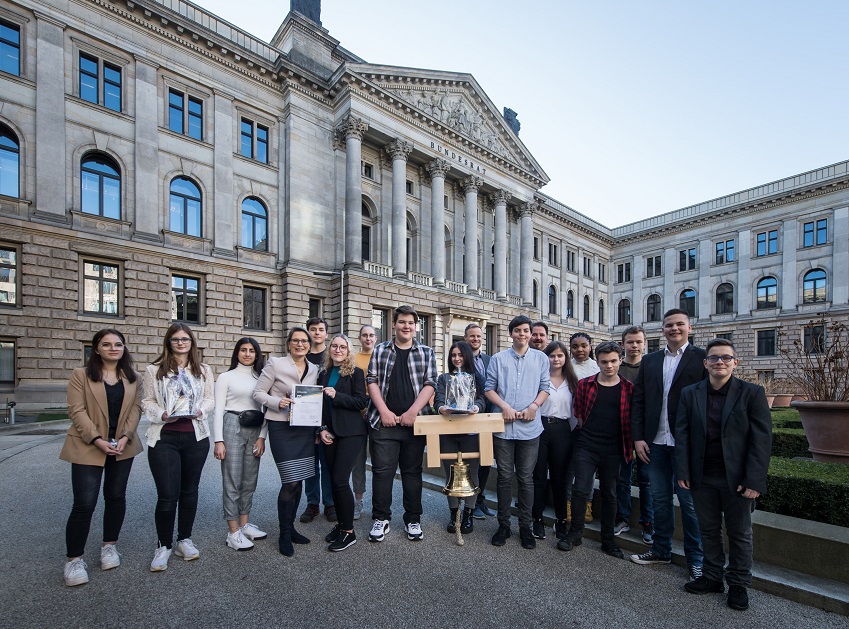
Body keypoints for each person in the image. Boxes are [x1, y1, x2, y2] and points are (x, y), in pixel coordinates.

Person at [676, 339, 772, 611]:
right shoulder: (690, 393)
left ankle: (739, 584)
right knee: (707, 529)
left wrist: (754, 480)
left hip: (738, 478)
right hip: (701, 475)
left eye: (725, 358)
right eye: (714, 358)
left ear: (735, 362)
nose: (720, 362)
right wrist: (683, 470)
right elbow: (681, 434)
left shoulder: (752, 393)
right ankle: (712, 577)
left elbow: (761, 441)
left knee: (739, 532)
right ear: (705, 363)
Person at [60, 329, 143, 586]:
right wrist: (97, 440)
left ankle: (109, 546)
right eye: (106, 344)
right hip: (88, 445)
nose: (113, 348)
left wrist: (126, 437)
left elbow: (136, 409)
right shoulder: (81, 375)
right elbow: (77, 411)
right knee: (84, 503)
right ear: (96, 349)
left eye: (118, 344)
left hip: (122, 445)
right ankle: (74, 560)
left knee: (116, 497)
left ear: (124, 348)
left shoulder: (133, 377)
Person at [630, 308, 706, 579]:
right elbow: (638, 401)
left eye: (679, 325)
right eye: (669, 325)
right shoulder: (650, 361)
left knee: (689, 504)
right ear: (662, 330)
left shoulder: (702, 358)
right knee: (660, 500)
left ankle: (697, 559)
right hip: (655, 443)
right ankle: (661, 550)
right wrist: (638, 437)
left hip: (687, 446)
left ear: (690, 328)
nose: (674, 329)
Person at [142, 323, 214, 572]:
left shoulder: (203, 370)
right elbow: (147, 401)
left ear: (192, 342)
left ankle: (184, 538)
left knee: (189, 490)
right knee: (167, 494)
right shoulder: (154, 370)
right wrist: (160, 414)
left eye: (185, 339)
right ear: (168, 342)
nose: (181, 343)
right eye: (175, 339)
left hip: (196, 437)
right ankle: (163, 544)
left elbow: (210, 398)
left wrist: (201, 410)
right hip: (165, 438)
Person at [365, 305, 437, 543]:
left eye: (411, 323)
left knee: (412, 473)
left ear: (416, 327)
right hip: (385, 423)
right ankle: (381, 518)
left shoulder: (426, 352)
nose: (406, 326)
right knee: (382, 473)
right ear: (393, 324)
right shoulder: (381, 350)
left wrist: (413, 412)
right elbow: (372, 380)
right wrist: (384, 411)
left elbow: (430, 384)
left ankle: (413, 519)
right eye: (402, 322)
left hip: (414, 424)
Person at [557, 342, 634, 559]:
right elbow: (579, 413)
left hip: (614, 448)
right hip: (587, 445)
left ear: (620, 360)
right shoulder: (585, 385)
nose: (608, 366)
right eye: (604, 361)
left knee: (610, 493)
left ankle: (608, 540)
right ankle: (575, 533)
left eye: (613, 361)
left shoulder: (628, 388)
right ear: (597, 362)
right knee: (580, 490)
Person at [252, 326, 319, 557]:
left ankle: (291, 529)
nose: (300, 344)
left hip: (304, 429)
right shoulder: (275, 364)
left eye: (304, 341)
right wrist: (276, 402)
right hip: (281, 427)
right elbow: (258, 393)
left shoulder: (314, 368)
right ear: (289, 343)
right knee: (290, 481)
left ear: (310, 346)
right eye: (296, 341)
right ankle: (283, 533)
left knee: (299, 480)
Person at [485, 315, 550, 550]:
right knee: (503, 477)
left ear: (531, 334)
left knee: (525, 479)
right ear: (511, 333)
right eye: (518, 331)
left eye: (526, 331)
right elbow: (489, 388)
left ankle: (526, 526)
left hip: (530, 429)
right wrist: (505, 407)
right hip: (503, 428)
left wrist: (534, 407)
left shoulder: (541, 359)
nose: (522, 334)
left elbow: (545, 387)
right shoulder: (498, 359)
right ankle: (503, 526)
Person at [212, 338, 268, 552]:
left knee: (249, 479)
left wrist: (262, 436)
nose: (247, 354)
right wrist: (219, 440)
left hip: (255, 427)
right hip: (232, 425)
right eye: (243, 350)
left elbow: (265, 409)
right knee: (232, 478)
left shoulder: (261, 378)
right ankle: (233, 530)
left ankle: (244, 524)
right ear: (237, 353)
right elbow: (218, 410)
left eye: (251, 351)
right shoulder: (226, 377)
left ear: (257, 354)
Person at [319, 334, 368, 551]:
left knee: (340, 480)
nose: (338, 350)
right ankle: (341, 525)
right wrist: (321, 429)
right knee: (333, 481)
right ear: (330, 349)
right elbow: (319, 406)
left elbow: (360, 401)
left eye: (342, 347)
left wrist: (336, 395)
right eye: (334, 346)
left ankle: (349, 532)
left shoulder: (355, 373)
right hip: (329, 433)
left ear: (348, 351)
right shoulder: (324, 373)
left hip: (351, 433)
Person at [433, 341, 486, 535]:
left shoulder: (476, 378)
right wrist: (441, 408)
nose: (457, 358)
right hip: (448, 431)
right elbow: (438, 398)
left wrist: (476, 407)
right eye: (453, 355)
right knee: (451, 474)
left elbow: (483, 399)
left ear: (467, 357)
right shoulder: (444, 378)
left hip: (471, 432)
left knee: (473, 474)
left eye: (460, 355)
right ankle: (454, 514)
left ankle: (468, 515)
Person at [531, 340, 579, 541]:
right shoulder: (539, 379)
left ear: (565, 358)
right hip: (540, 428)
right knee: (539, 477)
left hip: (563, 430)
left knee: (560, 479)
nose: (556, 359)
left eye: (560, 355)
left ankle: (560, 521)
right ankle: (537, 519)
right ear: (546, 358)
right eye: (552, 355)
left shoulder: (573, 381)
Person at [615, 326, 654, 545]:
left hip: (646, 432)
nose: (635, 346)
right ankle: (622, 518)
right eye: (630, 342)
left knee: (647, 480)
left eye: (638, 342)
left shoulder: (651, 367)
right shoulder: (617, 367)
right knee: (622, 478)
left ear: (644, 343)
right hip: (621, 431)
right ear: (623, 344)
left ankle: (648, 522)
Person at [302, 317, 335, 524]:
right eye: (313, 329)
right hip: (306, 417)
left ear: (326, 333)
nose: (316, 333)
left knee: (328, 462)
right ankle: (312, 503)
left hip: (327, 417)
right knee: (310, 464)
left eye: (320, 329)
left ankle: (330, 503)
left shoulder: (330, 356)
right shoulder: (302, 355)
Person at [464, 322, 496, 519]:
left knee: (485, 461)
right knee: (471, 462)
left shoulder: (489, 360)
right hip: (468, 418)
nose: (475, 339)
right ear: (466, 338)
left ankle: (480, 500)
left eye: (478, 336)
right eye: (472, 336)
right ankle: (470, 503)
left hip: (487, 416)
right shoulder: (461, 358)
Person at [567, 331, 600, 523]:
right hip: (568, 424)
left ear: (590, 347)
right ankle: (568, 505)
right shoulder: (566, 366)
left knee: (588, 470)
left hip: (590, 425)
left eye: (583, 346)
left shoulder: (597, 367)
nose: (579, 350)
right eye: (575, 346)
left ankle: (587, 505)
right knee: (569, 468)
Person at [351, 324, 377, 520]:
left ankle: (379, 502)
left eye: (371, 335)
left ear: (375, 338)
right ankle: (358, 501)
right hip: (358, 411)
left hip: (378, 409)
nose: (368, 338)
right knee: (357, 460)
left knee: (380, 460)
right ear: (360, 338)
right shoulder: (353, 359)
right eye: (364, 335)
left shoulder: (382, 356)